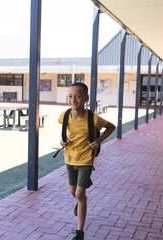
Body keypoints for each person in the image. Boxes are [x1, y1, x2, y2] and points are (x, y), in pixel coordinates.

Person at [58, 82, 115, 240]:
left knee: (79, 193)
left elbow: (111, 127)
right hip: (69, 159)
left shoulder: (93, 118)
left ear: (86, 98)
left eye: (77, 96)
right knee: (73, 192)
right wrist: (62, 142)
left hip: (86, 161)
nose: (73, 100)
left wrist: (99, 140)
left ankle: (79, 232)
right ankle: (81, 201)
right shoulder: (63, 116)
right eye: (70, 96)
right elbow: (64, 135)